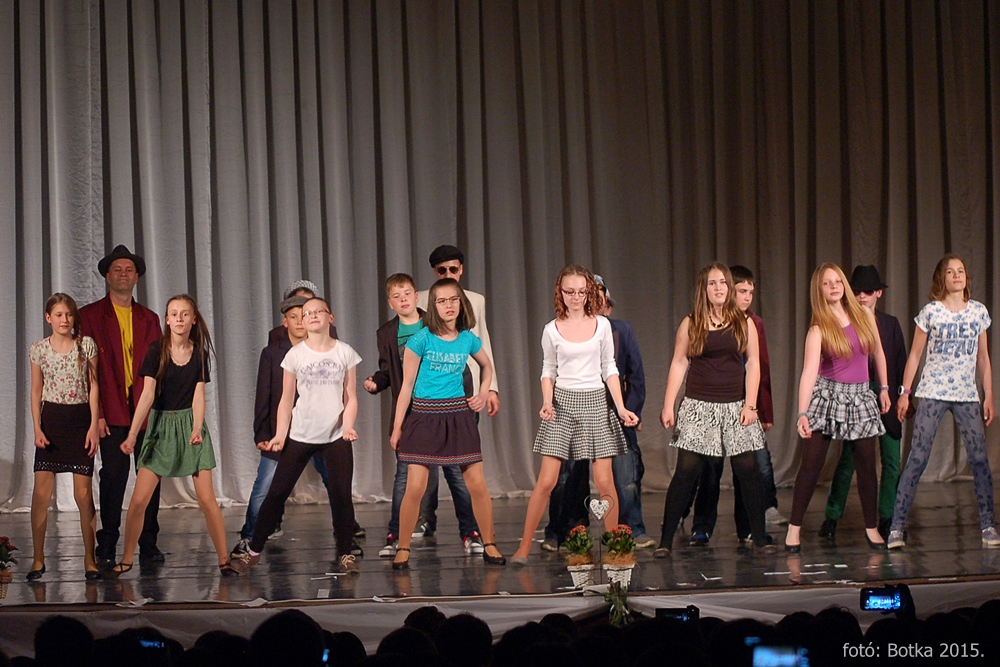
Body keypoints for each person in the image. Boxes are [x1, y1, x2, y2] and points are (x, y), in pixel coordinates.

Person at [511, 265, 638, 564]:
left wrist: (620, 407)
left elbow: (609, 368)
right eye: (570, 292)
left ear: (589, 293)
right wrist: (547, 401)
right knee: (546, 480)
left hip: (596, 402)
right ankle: (523, 547)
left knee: (604, 481)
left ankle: (615, 550)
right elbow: (548, 370)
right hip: (563, 404)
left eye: (581, 292)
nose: (576, 297)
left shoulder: (602, 326)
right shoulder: (551, 329)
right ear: (561, 293)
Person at [231, 297, 363, 574]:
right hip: (301, 434)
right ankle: (253, 551)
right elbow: (286, 399)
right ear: (301, 321)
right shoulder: (294, 355)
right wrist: (280, 434)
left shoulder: (345, 352)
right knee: (276, 493)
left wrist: (348, 425)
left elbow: (350, 395)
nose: (312, 316)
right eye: (307, 313)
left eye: (318, 311)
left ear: (330, 317)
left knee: (341, 496)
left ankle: (345, 554)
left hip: (335, 435)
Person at [655, 262, 775, 557]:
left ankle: (759, 538)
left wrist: (751, 405)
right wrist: (668, 404)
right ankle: (665, 542)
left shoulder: (743, 322)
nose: (719, 288)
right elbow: (679, 362)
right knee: (686, 471)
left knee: (748, 470)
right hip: (699, 406)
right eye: (713, 283)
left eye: (723, 282)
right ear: (704, 289)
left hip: (735, 406)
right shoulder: (692, 322)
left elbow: (754, 363)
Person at [112, 294, 235, 575]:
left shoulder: (199, 353)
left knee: (207, 499)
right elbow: (147, 395)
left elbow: (199, 396)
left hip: (190, 425)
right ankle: (127, 558)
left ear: (193, 319)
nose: (179, 318)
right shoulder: (157, 350)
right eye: (174, 314)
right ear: (167, 320)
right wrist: (133, 434)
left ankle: (224, 559)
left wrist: (197, 428)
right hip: (161, 427)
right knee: (139, 500)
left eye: (184, 314)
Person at [390, 278, 506, 569]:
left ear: (461, 303)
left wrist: (483, 392)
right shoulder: (421, 339)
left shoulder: (467, 339)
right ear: (433, 306)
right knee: (415, 486)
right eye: (441, 301)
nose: (449, 305)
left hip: (458, 417)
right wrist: (398, 427)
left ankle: (489, 543)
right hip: (424, 417)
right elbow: (406, 386)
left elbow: (487, 365)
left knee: (476, 484)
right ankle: (402, 546)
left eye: (453, 299)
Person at [889, 254, 1000, 549]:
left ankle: (988, 525)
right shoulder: (931, 312)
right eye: (950, 272)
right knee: (918, 457)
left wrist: (989, 394)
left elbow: (983, 358)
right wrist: (905, 392)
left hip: (966, 394)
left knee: (979, 459)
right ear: (942, 278)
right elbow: (915, 355)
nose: (957, 275)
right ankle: (896, 527)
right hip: (933, 392)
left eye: (960, 271)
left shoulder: (978, 312)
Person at [784, 263, 890, 553]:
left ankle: (871, 527)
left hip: (860, 397)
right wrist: (802, 413)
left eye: (837, 281)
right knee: (811, 465)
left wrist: (883, 388)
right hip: (828, 397)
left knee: (866, 465)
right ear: (819, 290)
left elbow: (878, 352)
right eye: (827, 283)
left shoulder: (864, 315)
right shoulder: (818, 329)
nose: (833, 287)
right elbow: (809, 373)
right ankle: (794, 529)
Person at [541, 276, 653, 549]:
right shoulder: (562, 330)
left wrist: (630, 411)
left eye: (600, 302)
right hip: (574, 413)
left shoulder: (620, 330)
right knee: (568, 476)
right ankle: (563, 530)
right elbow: (552, 370)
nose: (594, 305)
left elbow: (634, 375)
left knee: (625, 477)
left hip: (613, 415)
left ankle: (631, 529)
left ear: (608, 307)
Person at [683, 265, 785, 546]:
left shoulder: (753, 323)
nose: (746, 297)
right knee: (710, 467)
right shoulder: (706, 322)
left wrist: (762, 410)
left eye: (750, 292)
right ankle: (702, 526)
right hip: (716, 404)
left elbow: (760, 367)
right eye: (741, 291)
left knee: (750, 469)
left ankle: (749, 528)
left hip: (745, 406)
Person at [79, 245, 164, 565]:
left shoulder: (149, 319)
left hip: (146, 412)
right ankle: (109, 540)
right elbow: (86, 370)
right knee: (113, 477)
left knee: (150, 477)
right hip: (111, 411)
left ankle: (148, 541)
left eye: (129, 270)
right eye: (117, 269)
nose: (123, 274)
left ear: (137, 277)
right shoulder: (90, 316)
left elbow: (159, 368)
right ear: (107, 276)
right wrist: (97, 414)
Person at [414, 245, 496, 553]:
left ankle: (470, 528)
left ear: (461, 269)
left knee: (462, 462)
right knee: (425, 462)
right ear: (434, 272)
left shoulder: (475, 300)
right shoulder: (421, 299)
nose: (448, 274)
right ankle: (425, 518)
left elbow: (482, 342)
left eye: (453, 269)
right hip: (431, 389)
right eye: (442, 270)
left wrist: (490, 389)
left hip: (466, 387)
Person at [820, 265, 906, 541]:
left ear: (878, 293)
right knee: (849, 460)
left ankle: (887, 517)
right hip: (857, 398)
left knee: (891, 460)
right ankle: (832, 516)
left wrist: (903, 396)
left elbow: (900, 363)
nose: (861, 297)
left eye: (868, 291)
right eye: (856, 291)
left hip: (886, 397)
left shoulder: (890, 324)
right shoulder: (843, 323)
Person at [27, 294, 101, 580]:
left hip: (79, 421)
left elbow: (93, 387)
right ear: (49, 318)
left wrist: (93, 425)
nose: (64, 320)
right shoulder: (39, 350)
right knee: (41, 494)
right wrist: (37, 428)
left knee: (83, 494)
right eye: (59, 315)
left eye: (68, 314)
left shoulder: (85, 345)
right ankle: (38, 558)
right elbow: (36, 391)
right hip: (52, 422)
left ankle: (90, 558)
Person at [363, 273, 425, 558]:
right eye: (397, 297)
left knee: (455, 473)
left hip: (440, 406)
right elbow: (388, 371)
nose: (403, 300)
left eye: (407, 294)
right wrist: (376, 382)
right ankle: (396, 532)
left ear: (416, 296)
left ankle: (470, 532)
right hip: (407, 410)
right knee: (404, 473)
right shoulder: (387, 333)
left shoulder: (433, 323)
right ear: (390, 303)